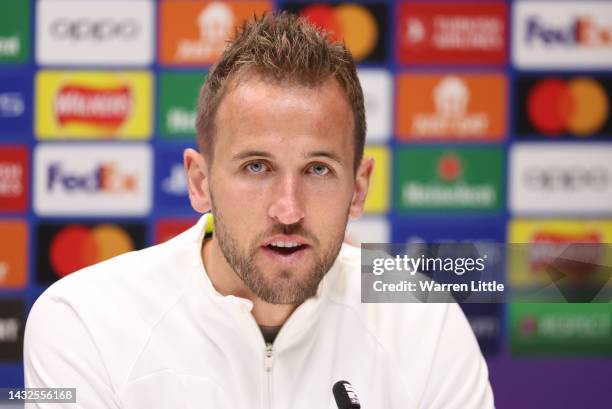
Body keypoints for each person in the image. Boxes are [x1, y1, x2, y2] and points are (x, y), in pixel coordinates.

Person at [24, 13, 494, 408]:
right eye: (256, 166)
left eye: (317, 170)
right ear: (199, 182)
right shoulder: (81, 321)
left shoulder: (424, 323)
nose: (287, 210)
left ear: (358, 188)